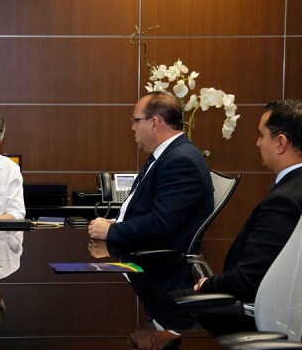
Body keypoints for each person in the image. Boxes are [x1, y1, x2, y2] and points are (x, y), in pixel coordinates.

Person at [194, 99, 302, 302]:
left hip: (264, 309)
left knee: (174, 303)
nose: (258, 143)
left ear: (280, 143)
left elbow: (248, 280)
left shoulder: (284, 201)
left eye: (261, 135)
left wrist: (207, 285)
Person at [88, 92, 214, 251]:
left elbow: (161, 224)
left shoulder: (181, 161)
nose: (133, 127)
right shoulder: (170, 154)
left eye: (136, 121)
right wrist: (115, 223)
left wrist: (111, 231)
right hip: (140, 249)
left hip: (155, 260)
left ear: (154, 123)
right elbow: (147, 211)